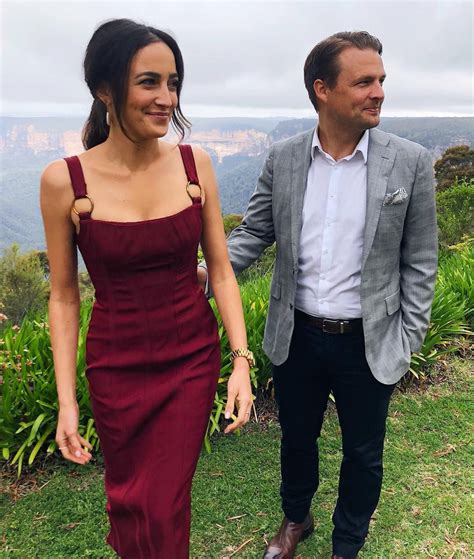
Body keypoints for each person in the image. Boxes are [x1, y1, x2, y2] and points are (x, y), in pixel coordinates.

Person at [198, 31, 437, 559]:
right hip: (297, 333)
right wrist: (203, 276)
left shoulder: (411, 162)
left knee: (364, 453)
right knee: (297, 439)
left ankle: (347, 541)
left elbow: (420, 259)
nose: (378, 92)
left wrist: (410, 336)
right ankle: (295, 520)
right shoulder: (284, 157)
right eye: (364, 82)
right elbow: (253, 233)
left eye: (381, 80)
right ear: (322, 89)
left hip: (370, 339)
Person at [40, 18, 254, 559]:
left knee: (159, 502)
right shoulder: (65, 181)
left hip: (190, 359)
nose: (166, 98)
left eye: (173, 83)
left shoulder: (193, 164)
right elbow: (64, 297)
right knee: (132, 499)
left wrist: (241, 361)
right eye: (149, 82)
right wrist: (68, 403)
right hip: (115, 365)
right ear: (105, 90)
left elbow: (221, 271)